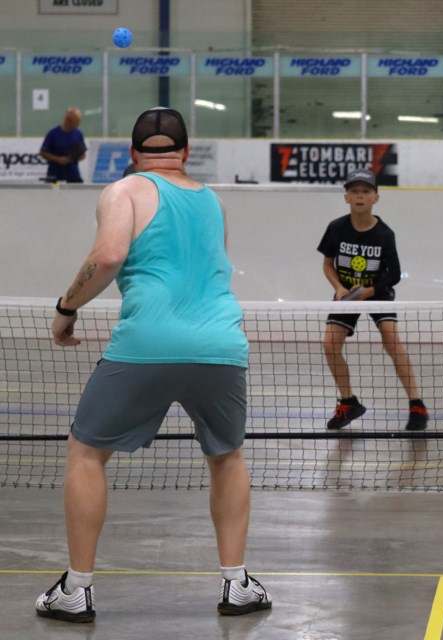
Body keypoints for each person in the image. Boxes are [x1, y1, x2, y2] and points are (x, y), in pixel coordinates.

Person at [37, 107, 271, 623]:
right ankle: (237, 584)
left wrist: (65, 309)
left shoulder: (123, 190)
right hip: (220, 346)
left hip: (146, 343)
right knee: (228, 457)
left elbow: (108, 256)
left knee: (86, 454)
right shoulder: (212, 200)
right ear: (187, 152)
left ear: (130, 154)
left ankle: (76, 589)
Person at [318, 168, 429, 431]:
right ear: (346, 197)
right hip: (347, 294)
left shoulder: (384, 234)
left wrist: (369, 291)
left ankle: (416, 404)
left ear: (375, 198)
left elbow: (395, 274)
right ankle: (348, 403)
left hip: (377, 292)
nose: (360, 196)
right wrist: (338, 288)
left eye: (366, 191)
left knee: (391, 339)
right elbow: (327, 264)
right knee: (330, 345)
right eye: (354, 191)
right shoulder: (336, 228)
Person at [39, 107, 87, 184]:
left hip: (72, 174)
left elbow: (83, 155)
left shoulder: (78, 135)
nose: (78, 125)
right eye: (77, 122)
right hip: (54, 174)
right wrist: (58, 159)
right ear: (69, 121)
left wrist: (70, 159)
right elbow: (43, 152)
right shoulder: (53, 134)